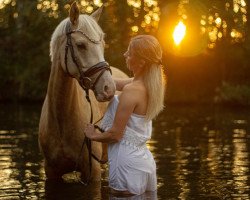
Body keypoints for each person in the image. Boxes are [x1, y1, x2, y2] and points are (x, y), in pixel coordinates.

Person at [84, 35, 166, 196]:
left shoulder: (132, 91)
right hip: (144, 162)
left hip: (126, 164)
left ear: (141, 62)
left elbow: (115, 134)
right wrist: (90, 77)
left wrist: (93, 135)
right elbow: (116, 83)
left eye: (129, 53)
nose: (124, 55)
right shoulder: (151, 84)